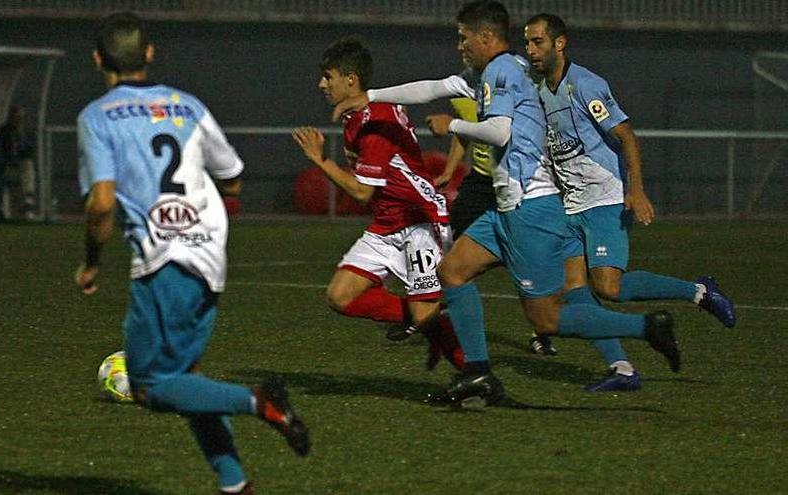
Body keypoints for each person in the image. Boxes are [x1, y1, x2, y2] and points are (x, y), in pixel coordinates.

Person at [333, 0, 683, 407]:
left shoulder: (500, 71)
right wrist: (370, 97)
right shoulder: (499, 68)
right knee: (453, 271)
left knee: (546, 320)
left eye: (464, 37)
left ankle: (648, 328)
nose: (459, 45)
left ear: (485, 37)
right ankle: (478, 373)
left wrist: (454, 126)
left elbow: (500, 132)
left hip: (530, 211)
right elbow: (436, 87)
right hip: (510, 208)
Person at [73, 13, 309, 495]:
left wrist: (92, 261)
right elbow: (232, 175)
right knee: (188, 381)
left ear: (98, 59)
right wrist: (219, 224)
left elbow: (100, 204)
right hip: (207, 260)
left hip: (164, 263)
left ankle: (258, 401)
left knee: (151, 388)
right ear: (150, 53)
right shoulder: (189, 106)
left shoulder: (98, 116)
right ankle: (235, 485)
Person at [523, 13, 736, 391]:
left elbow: (628, 137)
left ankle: (700, 292)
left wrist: (634, 190)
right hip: (571, 204)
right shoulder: (539, 89)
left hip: (604, 198)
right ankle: (622, 369)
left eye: (537, 41)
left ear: (560, 43)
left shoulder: (586, 85)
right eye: (527, 43)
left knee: (609, 288)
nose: (530, 50)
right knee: (574, 291)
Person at [292, 37, 465, 372]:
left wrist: (320, 160)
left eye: (328, 76)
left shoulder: (375, 121)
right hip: (388, 223)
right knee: (340, 295)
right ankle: (427, 321)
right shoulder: (362, 114)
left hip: (419, 223)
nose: (321, 84)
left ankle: (475, 375)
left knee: (426, 314)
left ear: (351, 80)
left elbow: (360, 193)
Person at [438, 96, 558, 357]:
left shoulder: (515, 85)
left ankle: (542, 332)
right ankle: (449, 306)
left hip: (516, 183)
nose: (462, 52)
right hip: (480, 183)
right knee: (455, 250)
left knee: (524, 261)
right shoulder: (461, 92)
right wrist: (449, 170)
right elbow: (462, 131)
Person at [0, 105, 36, 221]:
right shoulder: (1, 132)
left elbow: (30, 151)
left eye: (20, 118)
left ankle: (28, 204)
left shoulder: (26, 133)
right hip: (6, 166)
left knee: (28, 166)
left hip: (20, 166)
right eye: (15, 117)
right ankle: (4, 212)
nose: (18, 120)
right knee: (5, 180)